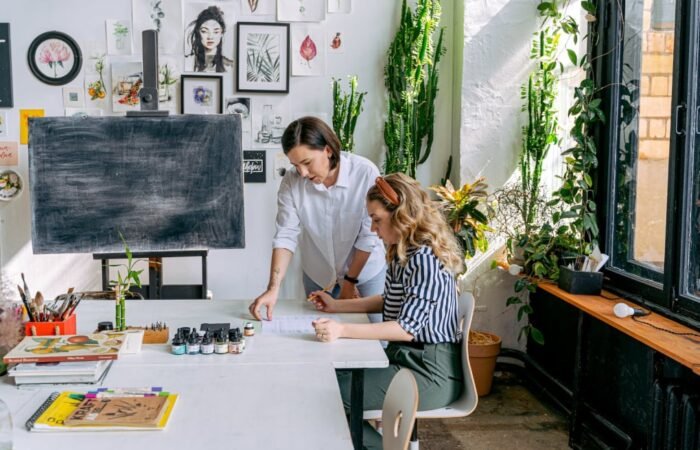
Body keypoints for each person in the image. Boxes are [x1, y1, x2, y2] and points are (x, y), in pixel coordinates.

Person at [309, 173, 465, 450]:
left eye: (377, 219)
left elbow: (405, 328)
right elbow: (388, 299)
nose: (373, 228)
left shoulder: (425, 259)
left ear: (402, 215)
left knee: (330, 396)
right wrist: (336, 305)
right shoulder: (404, 252)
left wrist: (341, 329)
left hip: (430, 372)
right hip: (406, 359)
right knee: (330, 380)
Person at [248, 116, 386, 321]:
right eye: (296, 165)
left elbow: (369, 236)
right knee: (318, 335)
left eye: (306, 162)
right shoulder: (292, 181)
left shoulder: (365, 172)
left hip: (365, 274)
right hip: (318, 276)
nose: (302, 173)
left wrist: (350, 282)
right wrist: (273, 288)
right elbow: (286, 234)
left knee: (373, 335)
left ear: (328, 150)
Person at [185, 6, 233, 73]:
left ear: (222, 33)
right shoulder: (187, 62)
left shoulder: (230, 66)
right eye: (204, 31)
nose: (210, 37)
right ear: (198, 32)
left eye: (216, 32)